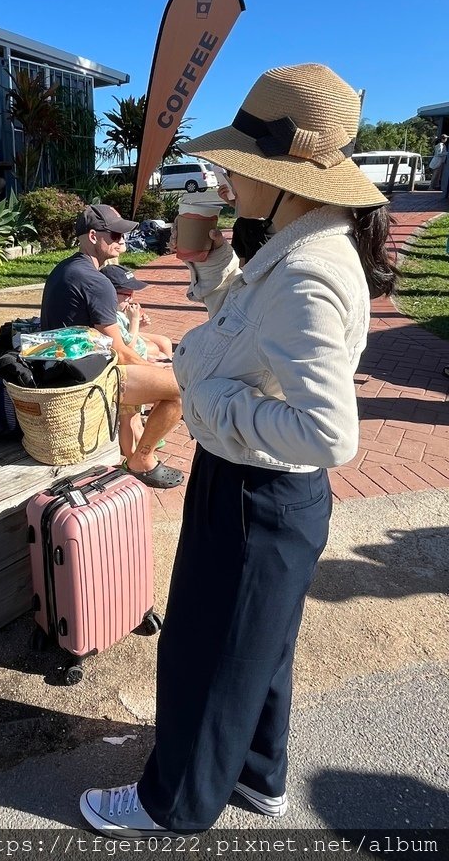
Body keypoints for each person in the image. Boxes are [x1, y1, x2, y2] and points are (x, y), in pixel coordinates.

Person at [79, 64, 398, 835]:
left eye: (237, 169)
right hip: (265, 494)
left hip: (258, 493)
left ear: (287, 178)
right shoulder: (293, 245)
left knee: (205, 651)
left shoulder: (308, 273)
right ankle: (259, 778)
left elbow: (331, 434)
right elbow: (256, 334)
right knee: (261, 645)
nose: (226, 180)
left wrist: (206, 400)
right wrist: (216, 264)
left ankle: (174, 804)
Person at [41, 204, 184, 489]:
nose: (122, 241)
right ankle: (142, 459)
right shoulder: (97, 281)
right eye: (115, 235)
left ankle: (130, 449)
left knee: (149, 372)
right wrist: (153, 366)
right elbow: (118, 351)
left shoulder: (65, 268)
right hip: (81, 376)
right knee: (181, 388)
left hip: (58, 366)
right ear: (93, 236)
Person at [102, 263, 175, 460]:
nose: (131, 299)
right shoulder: (109, 316)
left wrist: (137, 323)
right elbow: (128, 347)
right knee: (129, 421)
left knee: (133, 419)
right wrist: (134, 322)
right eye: (126, 294)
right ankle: (132, 456)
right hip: (127, 371)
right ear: (109, 293)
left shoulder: (118, 313)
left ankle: (140, 451)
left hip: (135, 363)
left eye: (131, 294)